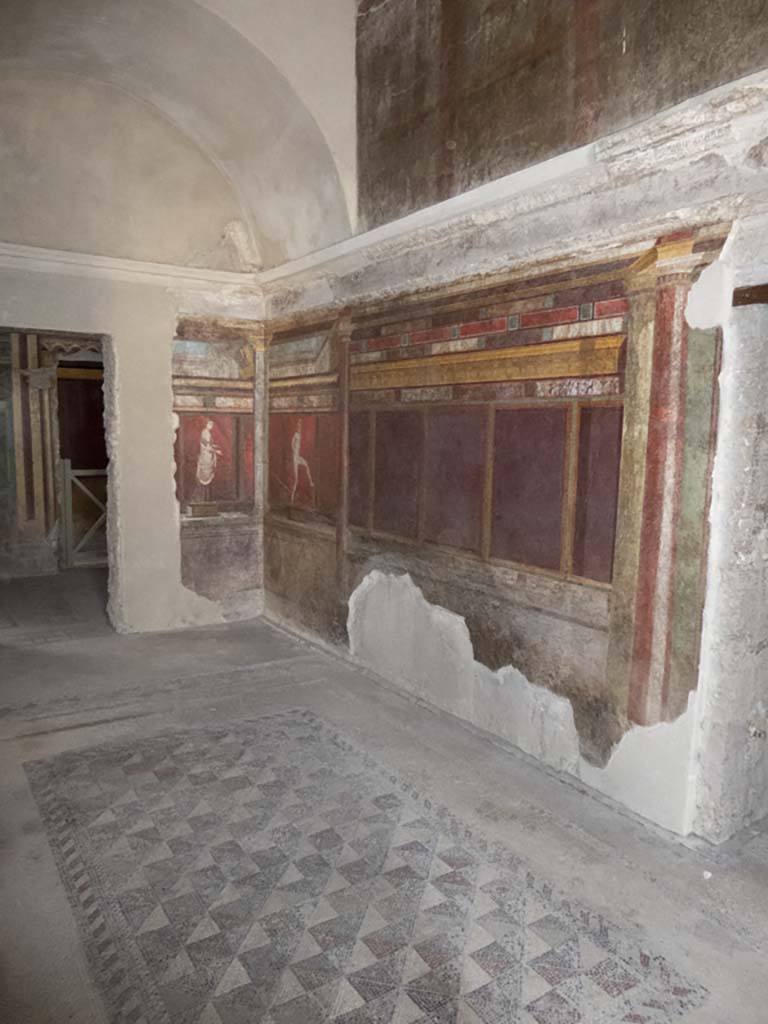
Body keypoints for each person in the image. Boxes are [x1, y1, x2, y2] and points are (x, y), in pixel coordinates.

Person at [290, 419, 314, 502]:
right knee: (296, 480)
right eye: (299, 425)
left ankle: (311, 482)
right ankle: (292, 498)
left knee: (306, 464)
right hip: (295, 457)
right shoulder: (296, 434)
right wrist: (294, 451)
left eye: (300, 425)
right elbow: (292, 443)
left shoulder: (300, 435)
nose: (300, 427)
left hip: (298, 456)